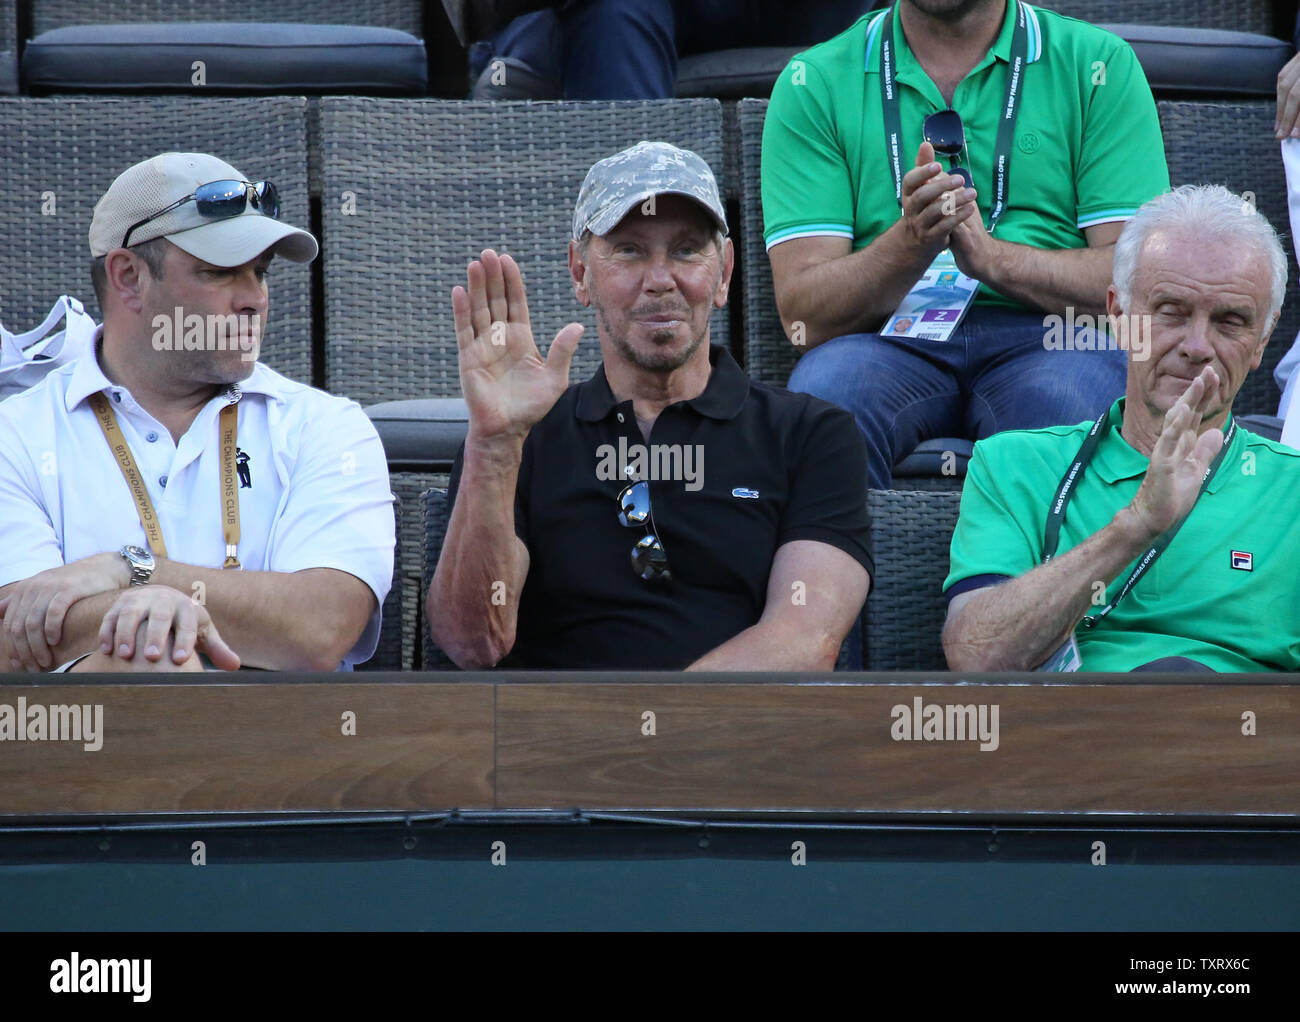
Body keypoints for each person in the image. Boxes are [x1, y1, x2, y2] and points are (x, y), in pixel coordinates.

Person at [427, 140, 873, 670]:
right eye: (629, 250)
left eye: (686, 249)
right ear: (580, 273)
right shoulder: (517, 436)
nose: (660, 281)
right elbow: (473, 645)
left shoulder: (810, 434)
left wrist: (648, 728)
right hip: (548, 743)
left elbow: (804, 641)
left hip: (733, 740)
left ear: (724, 272)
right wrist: (496, 447)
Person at [0, 152, 395, 673]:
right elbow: (17, 639)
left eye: (260, 273)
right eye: (222, 273)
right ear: (128, 277)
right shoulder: (16, 434)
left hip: (295, 749)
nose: (254, 298)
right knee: (146, 653)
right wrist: (157, 617)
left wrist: (130, 571)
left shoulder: (327, 426)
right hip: (100, 747)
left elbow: (320, 628)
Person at [762, 0, 1170, 489]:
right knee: (827, 398)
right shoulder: (817, 80)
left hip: (1052, 334)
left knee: (1064, 404)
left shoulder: (1097, 65)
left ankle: (1028, 569)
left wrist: (995, 261)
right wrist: (910, 243)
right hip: (884, 339)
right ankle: (841, 568)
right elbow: (803, 316)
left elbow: (1141, 288)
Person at [941, 184, 1297, 673]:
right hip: (1074, 738)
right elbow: (977, 656)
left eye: (1230, 321)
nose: (1197, 345)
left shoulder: (1292, 490)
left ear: (1262, 341)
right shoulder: (1015, 464)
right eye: (1171, 311)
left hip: (1239, 741)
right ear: (1118, 314)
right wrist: (1137, 524)